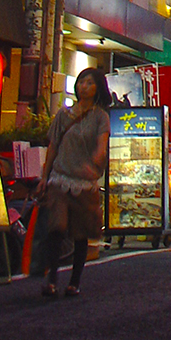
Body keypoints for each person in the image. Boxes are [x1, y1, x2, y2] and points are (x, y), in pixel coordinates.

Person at [37, 66, 111, 298]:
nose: (84, 86)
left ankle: (74, 281)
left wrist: (94, 162)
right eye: (81, 82)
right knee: (56, 229)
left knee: (80, 233)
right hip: (60, 178)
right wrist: (44, 177)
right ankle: (51, 280)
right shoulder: (63, 115)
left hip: (84, 184)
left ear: (98, 87)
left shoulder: (101, 117)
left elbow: (102, 145)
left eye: (89, 83)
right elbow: (53, 146)